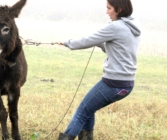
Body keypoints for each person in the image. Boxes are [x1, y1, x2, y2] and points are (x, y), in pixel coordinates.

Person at [58, 0, 141, 140]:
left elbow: (87, 40)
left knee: (81, 112)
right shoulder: (133, 27)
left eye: (109, 8)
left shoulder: (116, 27)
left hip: (112, 83)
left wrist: (68, 43)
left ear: (119, 9)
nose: (106, 12)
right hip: (127, 85)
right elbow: (117, 49)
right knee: (89, 110)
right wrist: (101, 43)